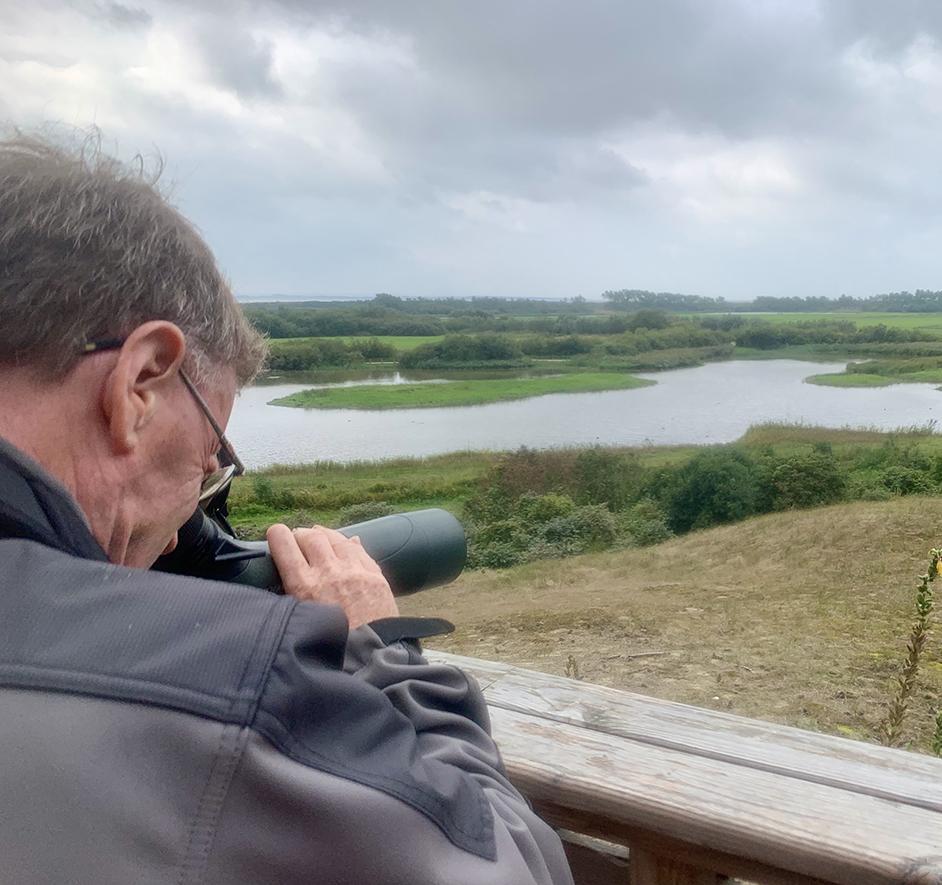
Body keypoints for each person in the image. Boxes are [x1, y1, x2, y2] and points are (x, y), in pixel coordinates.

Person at [0, 131, 574, 884]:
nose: (205, 480)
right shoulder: (228, 690)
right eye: (213, 444)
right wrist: (377, 644)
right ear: (140, 381)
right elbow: (513, 868)